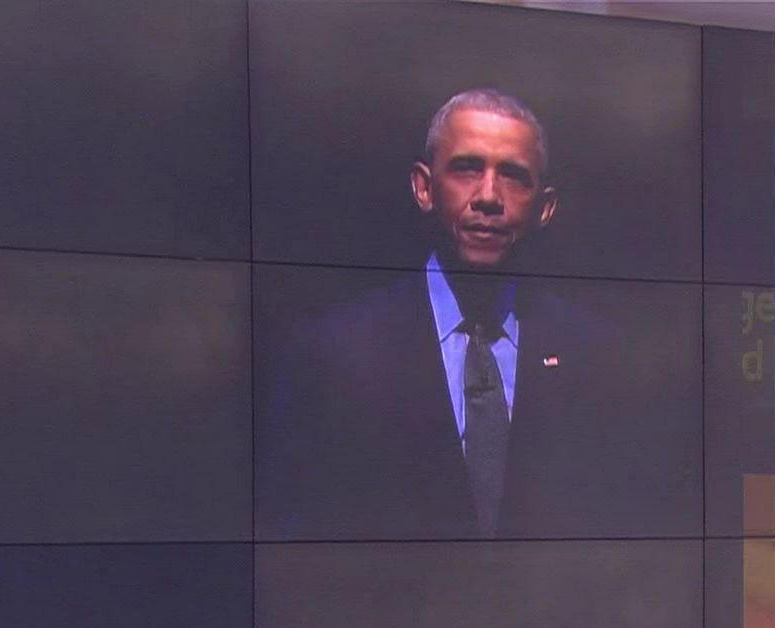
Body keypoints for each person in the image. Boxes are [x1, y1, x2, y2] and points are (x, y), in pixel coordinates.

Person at [256, 88, 698, 541]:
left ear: (545, 208)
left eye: (513, 176)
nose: (488, 196)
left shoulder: (601, 361)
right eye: (467, 169)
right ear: (424, 187)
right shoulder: (337, 356)